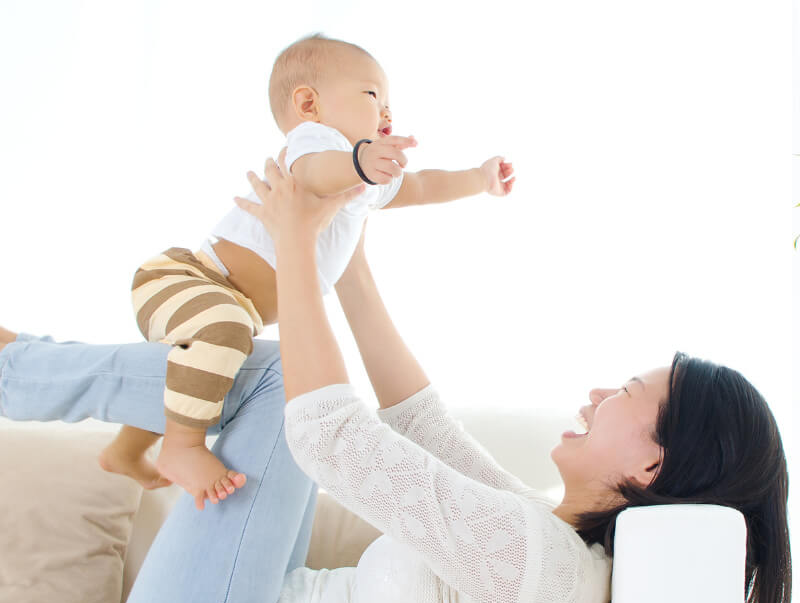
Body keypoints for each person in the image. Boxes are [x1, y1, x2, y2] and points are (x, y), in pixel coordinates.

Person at [0, 156, 790, 603]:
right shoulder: (553, 548)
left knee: (276, 381)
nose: (594, 395)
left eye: (625, 393)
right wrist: (350, 260)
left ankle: (16, 372)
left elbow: (329, 436)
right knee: (272, 377)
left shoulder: (538, 570)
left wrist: (298, 245)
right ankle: (26, 369)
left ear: (649, 467)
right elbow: (422, 426)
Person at [98, 33, 515, 511]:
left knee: (206, 367)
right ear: (309, 103)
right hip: (189, 280)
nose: (387, 114)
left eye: (389, 104)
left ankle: (126, 451)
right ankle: (182, 446)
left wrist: (478, 179)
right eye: (373, 95)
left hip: (226, 302)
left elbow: (420, 185)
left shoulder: (362, 179)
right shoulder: (316, 143)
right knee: (225, 336)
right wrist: (358, 160)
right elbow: (317, 173)